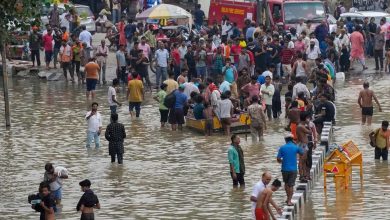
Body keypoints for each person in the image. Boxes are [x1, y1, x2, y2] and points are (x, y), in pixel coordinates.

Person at [277, 134, 304, 206]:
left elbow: (278, 159)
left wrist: (282, 161)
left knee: (286, 183)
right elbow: (302, 152)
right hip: (293, 169)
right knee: (291, 185)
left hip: (284, 169)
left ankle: (287, 198)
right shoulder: (295, 147)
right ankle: (289, 201)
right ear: (292, 139)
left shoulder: (282, 148)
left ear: (285, 140)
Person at [296, 112, 313, 182]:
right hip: (302, 145)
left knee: (304, 160)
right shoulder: (301, 126)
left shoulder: (301, 126)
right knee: (301, 161)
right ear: (305, 118)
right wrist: (308, 124)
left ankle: (304, 175)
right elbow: (310, 132)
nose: (308, 119)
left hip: (303, 144)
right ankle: (301, 176)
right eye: (307, 118)